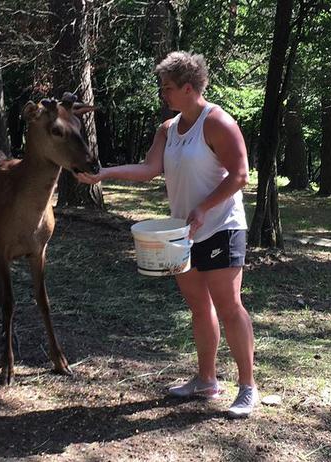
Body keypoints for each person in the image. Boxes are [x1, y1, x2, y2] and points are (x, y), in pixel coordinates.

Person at [76, 51, 257, 418]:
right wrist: (103, 174)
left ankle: (247, 387)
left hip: (222, 228)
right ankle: (206, 380)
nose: (164, 94)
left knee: (229, 306)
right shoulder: (168, 129)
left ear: (189, 88)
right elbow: (148, 169)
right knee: (198, 308)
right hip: (183, 233)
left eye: (168, 88)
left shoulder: (217, 122)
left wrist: (204, 208)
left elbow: (240, 176)